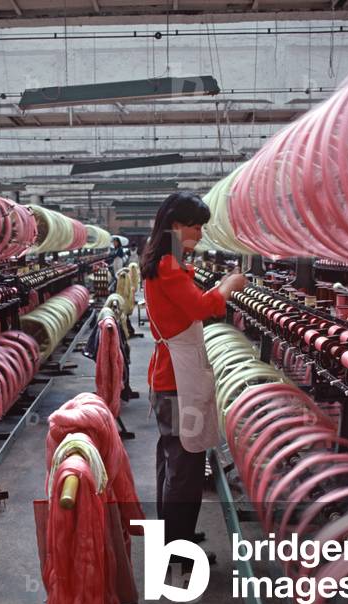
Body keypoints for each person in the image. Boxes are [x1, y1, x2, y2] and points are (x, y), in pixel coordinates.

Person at [140, 191, 247, 572]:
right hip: (175, 379)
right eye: (196, 226)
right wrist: (229, 286)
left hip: (170, 373)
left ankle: (175, 535)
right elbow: (201, 307)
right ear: (176, 225)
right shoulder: (168, 266)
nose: (200, 234)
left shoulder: (166, 263)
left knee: (173, 459)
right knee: (184, 467)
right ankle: (177, 551)